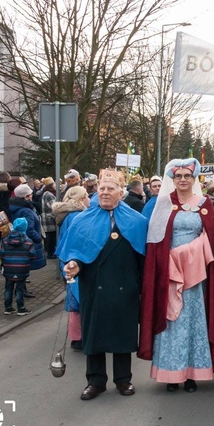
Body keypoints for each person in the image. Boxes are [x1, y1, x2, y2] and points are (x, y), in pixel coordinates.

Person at [58, 169, 147, 400]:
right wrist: (73, 264)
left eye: (111, 189)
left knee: (122, 334)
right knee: (94, 334)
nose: (105, 192)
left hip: (125, 285)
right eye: (102, 188)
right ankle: (95, 381)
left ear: (121, 192)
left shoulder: (137, 221)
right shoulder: (81, 220)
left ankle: (123, 379)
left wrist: (141, 287)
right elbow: (74, 253)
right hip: (93, 285)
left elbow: (145, 258)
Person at [139, 158, 214, 392]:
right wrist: (167, 261)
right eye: (178, 176)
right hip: (170, 270)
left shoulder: (204, 202)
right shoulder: (164, 204)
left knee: (194, 320)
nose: (183, 180)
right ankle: (171, 371)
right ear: (173, 179)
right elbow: (156, 239)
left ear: (194, 178)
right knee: (171, 319)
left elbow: (212, 235)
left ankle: (191, 373)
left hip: (196, 272)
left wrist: (192, 252)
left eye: (187, 176)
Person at [53, 186, 91, 351]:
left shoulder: (67, 215)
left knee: (73, 299)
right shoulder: (77, 216)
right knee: (78, 299)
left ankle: (76, 337)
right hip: (74, 259)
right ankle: (80, 338)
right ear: (81, 199)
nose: (89, 199)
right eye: (87, 196)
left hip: (66, 258)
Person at [8, 184, 46, 288]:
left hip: (19, 241)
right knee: (25, 266)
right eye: (30, 194)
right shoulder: (27, 211)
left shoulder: (15, 208)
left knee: (21, 266)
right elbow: (30, 229)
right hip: (28, 242)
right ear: (26, 196)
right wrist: (38, 238)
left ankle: (21, 288)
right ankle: (21, 290)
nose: (32, 196)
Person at [0, 218, 35, 315]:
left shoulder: (5, 240)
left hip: (8, 267)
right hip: (22, 268)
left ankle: (8, 307)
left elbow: (1, 254)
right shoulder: (28, 241)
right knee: (20, 289)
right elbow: (32, 254)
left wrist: (5, 261)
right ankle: (21, 308)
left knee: (8, 288)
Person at [40, 177, 57, 259]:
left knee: (50, 237)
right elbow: (54, 206)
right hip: (49, 219)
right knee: (51, 238)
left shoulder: (46, 193)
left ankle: (50, 252)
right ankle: (51, 253)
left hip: (48, 218)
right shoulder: (49, 195)